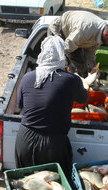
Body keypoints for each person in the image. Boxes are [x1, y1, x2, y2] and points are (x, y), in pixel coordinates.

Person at [15, 36, 89, 177]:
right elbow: (84, 99)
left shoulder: (27, 77)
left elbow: (21, 105)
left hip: (24, 139)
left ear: (42, 53)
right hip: (52, 144)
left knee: (26, 184)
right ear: (63, 55)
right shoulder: (71, 79)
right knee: (56, 187)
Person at [48, 10, 108, 78]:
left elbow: (90, 53)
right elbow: (65, 49)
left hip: (74, 39)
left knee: (82, 70)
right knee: (56, 65)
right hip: (59, 29)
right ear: (106, 35)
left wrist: (94, 68)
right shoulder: (86, 30)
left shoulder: (101, 35)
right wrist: (67, 66)